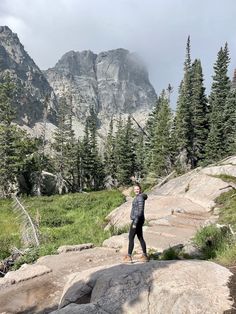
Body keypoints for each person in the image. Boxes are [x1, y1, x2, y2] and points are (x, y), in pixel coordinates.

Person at [123, 184, 149, 263]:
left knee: (131, 238)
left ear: (140, 189)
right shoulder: (139, 197)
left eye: (137, 189)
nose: (136, 190)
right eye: (135, 189)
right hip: (139, 220)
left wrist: (135, 222)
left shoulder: (140, 197)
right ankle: (145, 256)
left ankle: (129, 257)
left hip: (137, 220)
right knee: (140, 237)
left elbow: (140, 211)